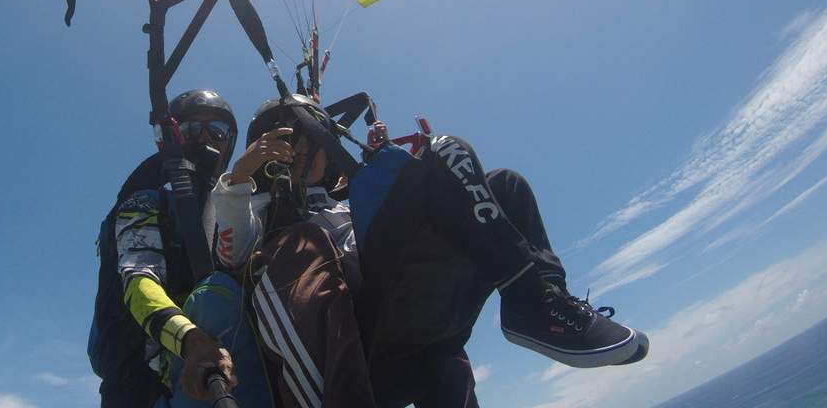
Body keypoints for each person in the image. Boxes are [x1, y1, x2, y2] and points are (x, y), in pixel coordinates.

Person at [213, 95, 649, 408]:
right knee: (446, 149)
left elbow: (391, 221)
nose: (300, 151)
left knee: (505, 185)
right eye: (286, 141)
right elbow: (228, 253)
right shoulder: (258, 208)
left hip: (418, 315)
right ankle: (532, 305)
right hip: (364, 327)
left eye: (308, 138)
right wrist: (238, 178)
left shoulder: (347, 196)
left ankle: (541, 301)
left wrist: (397, 170)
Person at [89, 89, 270, 407]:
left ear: (230, 142)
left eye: (216, 130)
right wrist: (191, 341)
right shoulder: (145, 203)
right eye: (190, 130)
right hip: (145, 386)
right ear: (169, 139)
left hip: (233, 374)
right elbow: (138, 280)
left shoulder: (240, 215)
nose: (204, 139)